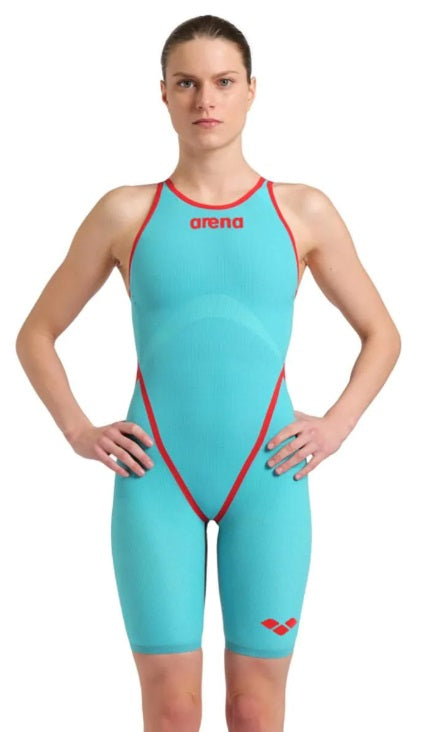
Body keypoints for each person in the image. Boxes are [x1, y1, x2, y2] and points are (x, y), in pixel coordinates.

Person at [15, 13, 401, 732]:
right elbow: (36, 334)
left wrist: (336, 425)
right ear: (162, 93)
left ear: (252, 90)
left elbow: (382, 334)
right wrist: (78, 430)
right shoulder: (125, 212)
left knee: (254, 709)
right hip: (156, 480)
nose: (206, 101)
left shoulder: (301, 210)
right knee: (171, 710)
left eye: (223, 82)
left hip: (269, 477)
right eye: (187, 83)